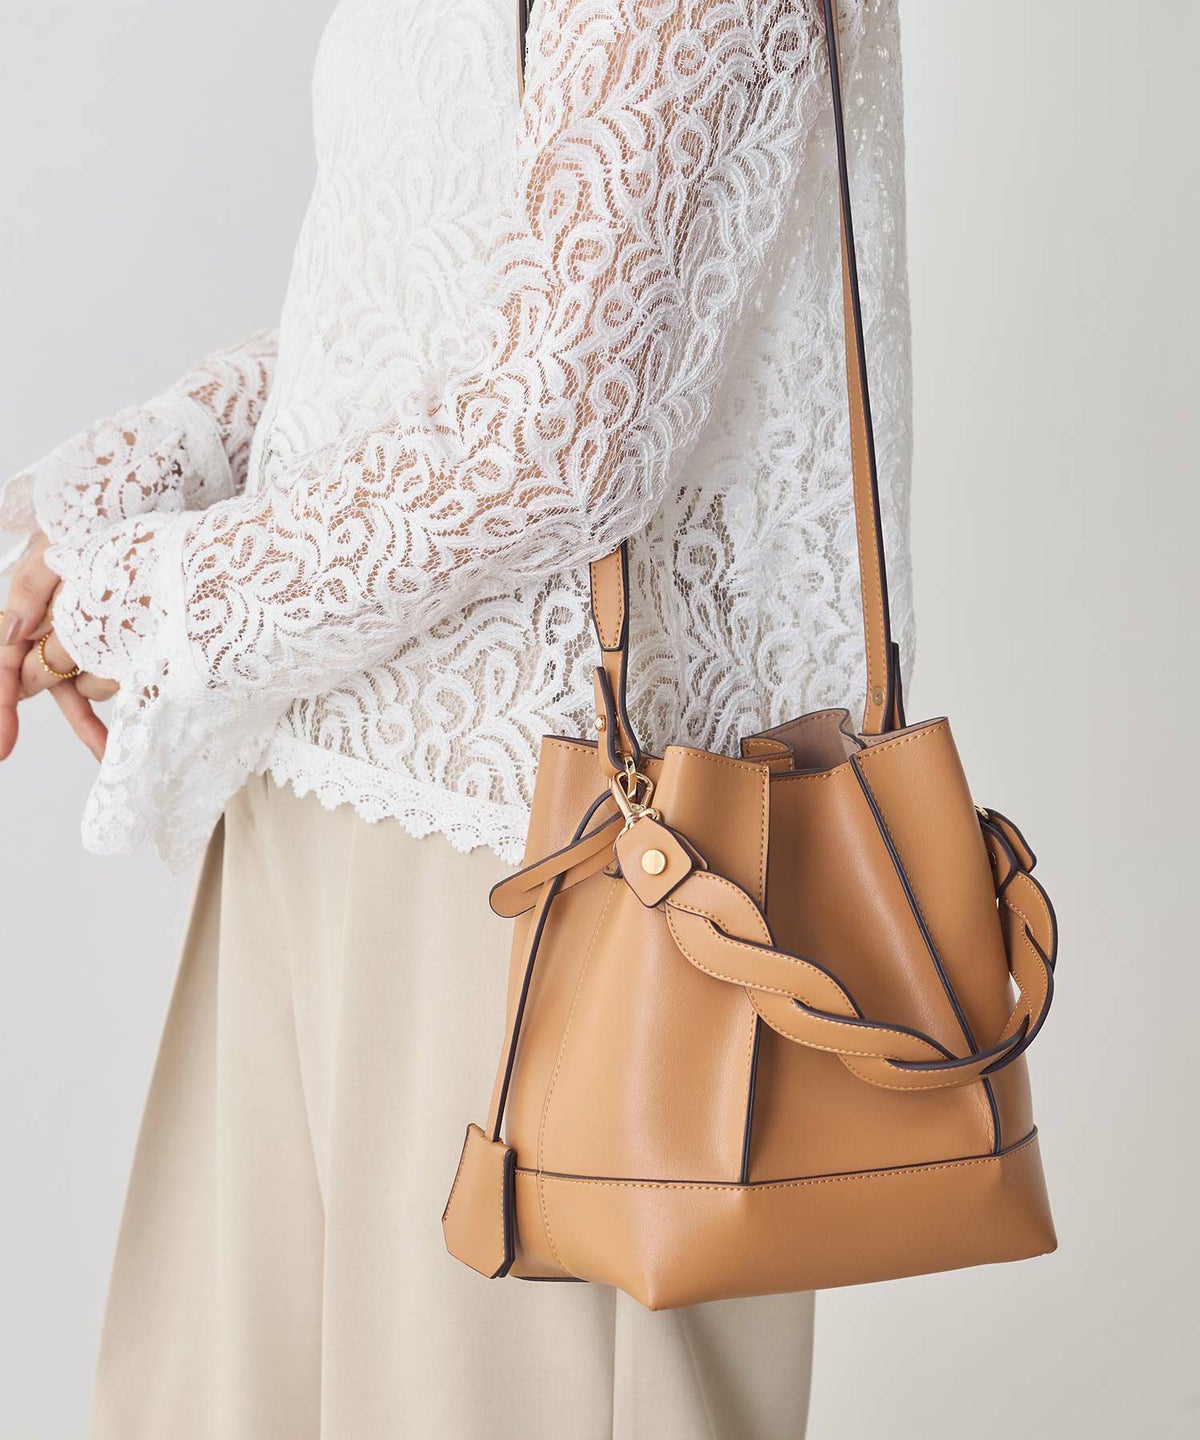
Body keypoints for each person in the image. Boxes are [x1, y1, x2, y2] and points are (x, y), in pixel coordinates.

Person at [0, 1, 914, 1435]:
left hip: (552, 854)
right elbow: (420, 308)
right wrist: (136, 482)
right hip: (323, 782)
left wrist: (147, 597)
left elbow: (557, 441)